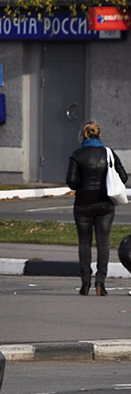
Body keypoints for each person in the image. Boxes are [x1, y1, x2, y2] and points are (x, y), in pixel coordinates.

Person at [66, 121, 127, 296]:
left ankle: (85, 282)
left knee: (84, 242)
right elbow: (123, 176)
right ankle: (101, 282)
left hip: (83, 204)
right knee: (103, 242)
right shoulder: (108, 153)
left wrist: (82, 183)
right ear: (99, 135)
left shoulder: (77, 155)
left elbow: (72, 182)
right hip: (105, 205)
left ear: (83, 136)